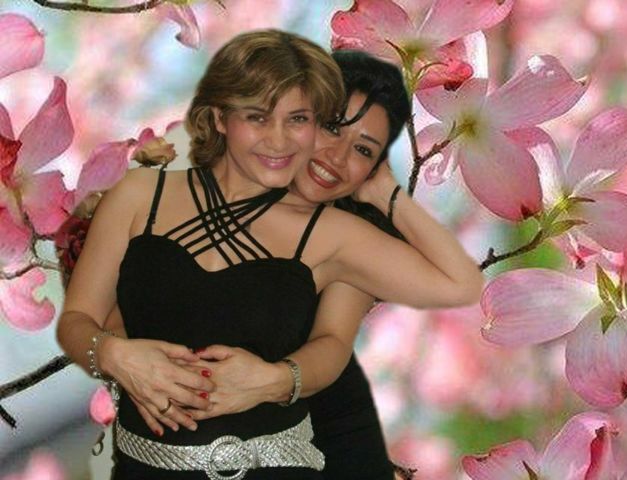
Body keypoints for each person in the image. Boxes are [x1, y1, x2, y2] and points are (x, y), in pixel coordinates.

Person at [58, 30, 484, 480]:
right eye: (331, 128)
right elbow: (93, 315)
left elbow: (453, 286)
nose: (336, 156)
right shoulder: (150, 190)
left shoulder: (340, 236)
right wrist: (117, 355)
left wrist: (387, 195)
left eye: (363, 150)